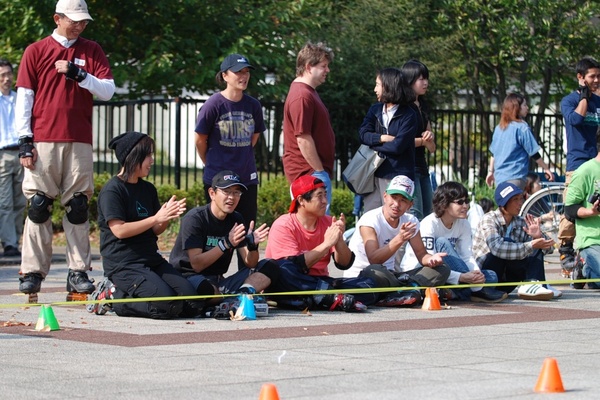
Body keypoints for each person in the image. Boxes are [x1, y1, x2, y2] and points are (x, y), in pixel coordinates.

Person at [15, 0, 115, 295]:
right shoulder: (36, 51)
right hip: (43, 138)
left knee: (78, 207)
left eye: (84, 21)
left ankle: (78, 271)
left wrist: (80, 75)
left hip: (79, 138)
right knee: (39, 206)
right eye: (74, 20)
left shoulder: (91, 50)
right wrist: (25, 141)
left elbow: (108, 91)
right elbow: (25, 97)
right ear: (57, 18)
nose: (80, 26)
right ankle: (32, 271)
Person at [91, 132, 202, 319]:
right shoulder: (113, 190)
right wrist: (155, 218)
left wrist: (165, 216)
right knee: (168, 305)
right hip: (124, 264)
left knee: (194, 303)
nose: (152, 160)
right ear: (134, 156)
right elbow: (119, 230)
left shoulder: (147, 189)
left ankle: (129, 293)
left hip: (151, 259)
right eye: (148, 155)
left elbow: (156, 229)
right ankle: (113, 297)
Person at [169, 170, 279, 315]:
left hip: (220, 282)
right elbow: (197, 264)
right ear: (212, 193)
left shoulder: (236, 218)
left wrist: (253, 247)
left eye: (236, 192)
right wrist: (225, 243)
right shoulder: (195, 219)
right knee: (204, 290)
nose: (231, 197)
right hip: (190, 277)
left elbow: (250, 263)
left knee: (270, 266)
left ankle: (242, 294)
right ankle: (233, 299)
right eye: (226, 192)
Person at [265, 175, 379, 312]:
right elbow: (291, 268)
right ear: (301, 200)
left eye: (325, 195)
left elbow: (344, 264)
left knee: (369, 285)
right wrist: (326, 245)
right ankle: (327, 298)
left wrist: (339, 239)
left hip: (321, 282)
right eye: (319, 196)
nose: (325, 201)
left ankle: (322, 299)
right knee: (284, 271)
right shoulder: (284, 225)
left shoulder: (328, 221)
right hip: (294, 282)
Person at [194, 53, 265, 270]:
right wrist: (210, 162)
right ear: (225, 75)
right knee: (216, 230)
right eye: (238, 72)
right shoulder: (213, 105)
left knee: (246, 230)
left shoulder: (253, 106)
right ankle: (211, 277)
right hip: (218, 178)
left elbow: (254, 138)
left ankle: (245, 278)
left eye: (246, 72)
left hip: (246, 178)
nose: (244, 76)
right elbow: (200, 139)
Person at [343, 175, 450, 298]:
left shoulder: (411, 221)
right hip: (364, 277)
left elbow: (421, 254)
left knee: (443, 268)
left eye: (403, 200)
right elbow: (374, 259)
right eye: (393, 197)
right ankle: (408, 290)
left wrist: (431, 259)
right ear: (385, 196)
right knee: (375, 271)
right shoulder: (369, 220)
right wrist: (400, 238)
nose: (396, 204)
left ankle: (406, 290)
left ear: (410, 205)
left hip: (391, 276)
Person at [400, 182, 507, 302]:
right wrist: (463, 277)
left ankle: (455, 291)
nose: (465, 206)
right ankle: (472, 291)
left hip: (448, 272)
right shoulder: (429, 224)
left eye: (466, 201)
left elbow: (467, 256)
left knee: (491, 276)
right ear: (444, 204)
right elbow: (430, 265)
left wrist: (476, 274)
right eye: (460, 202)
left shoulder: (464, 224)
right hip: (420, 271)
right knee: (442, 242)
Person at [472, 182, 561, 300]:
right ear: (503, 204)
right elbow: (496, 248)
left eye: (521, 198)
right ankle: (532, 284)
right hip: (487, 277)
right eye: (515, 199)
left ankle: (536, 283)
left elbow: (549, 248)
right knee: (510, 242)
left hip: (507, 279)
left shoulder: (520, 221)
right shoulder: (489, 219)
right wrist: (531, 244)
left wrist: (538, 237)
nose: (520, 203)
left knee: (534, 244)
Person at [557, 57, 600, 273]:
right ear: (580, 77)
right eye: (592, 76)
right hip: (578, 162)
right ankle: (565, 249)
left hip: (597, 161)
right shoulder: (569, 100)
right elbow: (575, 120)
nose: (597, 80)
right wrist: (584, 95)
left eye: (599, 76)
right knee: (572, 208)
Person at [282, 42, 335, 213]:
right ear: (308, 67)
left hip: (312, 171)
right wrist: (319, 171)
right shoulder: (302, 96)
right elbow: (303, 138)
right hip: (309, 172)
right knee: (315, 224)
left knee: (317, 224)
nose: (327, 70)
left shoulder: (307, 92)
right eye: (323, 66)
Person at [359, 68, 418, 212]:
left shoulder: (409, 114)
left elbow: (398, 147)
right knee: (370, 216)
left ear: (389, 86)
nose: (375, 89)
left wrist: (372, 145)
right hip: (374, 172)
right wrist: (381, 138)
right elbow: (362, 134)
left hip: (397, 175)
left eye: (378, 85)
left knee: (396, 217)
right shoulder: (375, 110)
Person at [486, 93, 554, 190]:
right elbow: (533, 153)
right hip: (515, 177)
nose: (527, 108)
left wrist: (490, 172)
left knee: (505, 200)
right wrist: (546, 169)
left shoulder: (499, 128)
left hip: (499, 178)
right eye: (524, 105)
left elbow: (493, 154)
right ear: (517, 108)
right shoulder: (522, 128)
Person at [401, 60, 435, 221]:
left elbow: (432, 147)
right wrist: (422, 141)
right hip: (408, 168)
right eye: (421, 79)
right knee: (415, 214)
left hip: (422, 167)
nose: (425, 82)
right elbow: (400, 141)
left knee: (429, 214)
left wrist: (429, 139)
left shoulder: (423, 106)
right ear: (409, 80)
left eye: (426, 78)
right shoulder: (403, 107)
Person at [0, 59, 25, 257]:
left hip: (20, 153)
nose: (7, 79)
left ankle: (14, 240)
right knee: (5, 201)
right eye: (2, 75)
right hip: (2, 154)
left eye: (9, 74)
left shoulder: (19, 99)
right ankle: (9, 243)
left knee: (20, 201)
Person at [564, 151, 600, 289]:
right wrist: (591, 211)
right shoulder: (585, 171)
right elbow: (569, 209)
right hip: (592, 240)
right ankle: (584, 266)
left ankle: (590, 271)